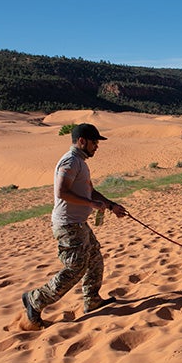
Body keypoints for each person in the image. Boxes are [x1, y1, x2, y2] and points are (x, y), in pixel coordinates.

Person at [22, 123, 127, 328]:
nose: (97, 146)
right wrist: (90, 204)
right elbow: (62, 192)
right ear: (82, 141)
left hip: (79, 224)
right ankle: (35, 300)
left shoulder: (81, 162)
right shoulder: (70, 162)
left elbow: (90, 192)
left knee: (94, 258)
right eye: (94, 142)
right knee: (75, 268)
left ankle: (92, 300)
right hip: (68, 225)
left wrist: (112, 205)